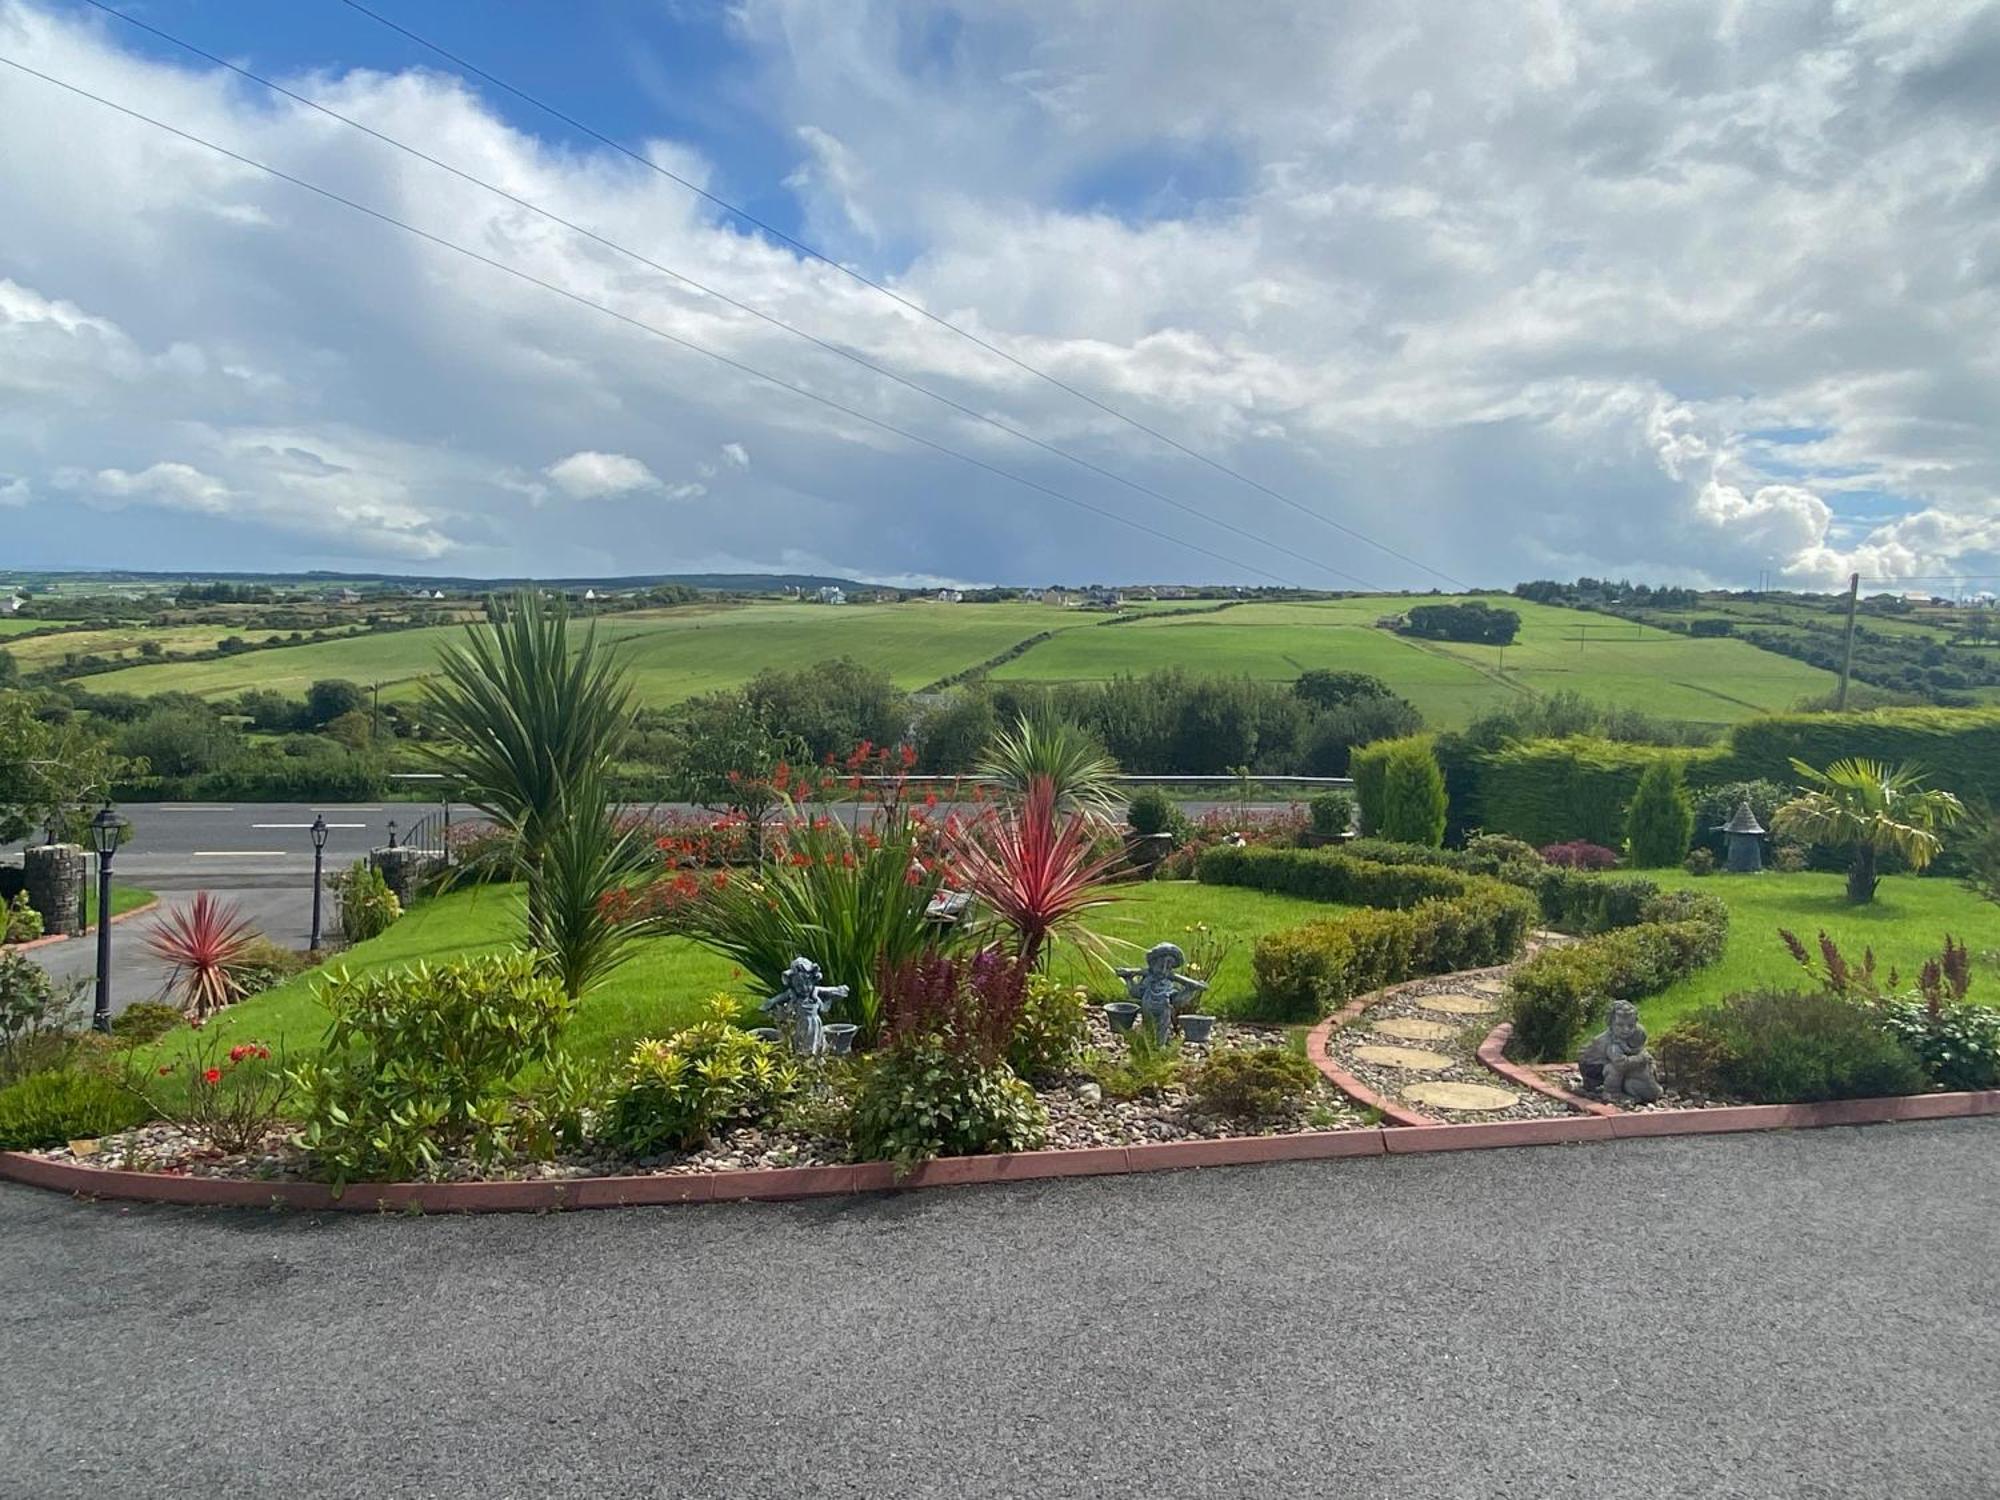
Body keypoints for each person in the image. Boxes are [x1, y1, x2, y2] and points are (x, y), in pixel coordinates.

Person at [1115, 942, 1209, 1045]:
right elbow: (1136, 980)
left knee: (1163, 1025)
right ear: (1154, 963)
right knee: (1148, 1024)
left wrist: (1194, 985)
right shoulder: (1149, 977)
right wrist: (1127, 975)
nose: (1164, 970)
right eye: (1161, 965)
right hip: (1148, 1003)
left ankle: (1160, 1045)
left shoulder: (1168, 979)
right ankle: (1148, 1044)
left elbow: (1183, 980)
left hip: (1164, 1005)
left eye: (1168, 966)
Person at [762, 957, 849, 1056]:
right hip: (801, 1023)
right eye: (799, 985)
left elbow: (832, 991)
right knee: (801, 1040)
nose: (804, 988)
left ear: (813, 980)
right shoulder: (792, 994)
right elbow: (778, 998)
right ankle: (803, 1056)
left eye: (808, 983)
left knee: (815, 1040)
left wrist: (839, 989)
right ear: (793, 984)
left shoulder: (814, 992)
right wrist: (769, 1003)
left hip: (815, 1023)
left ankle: (815, 1056)